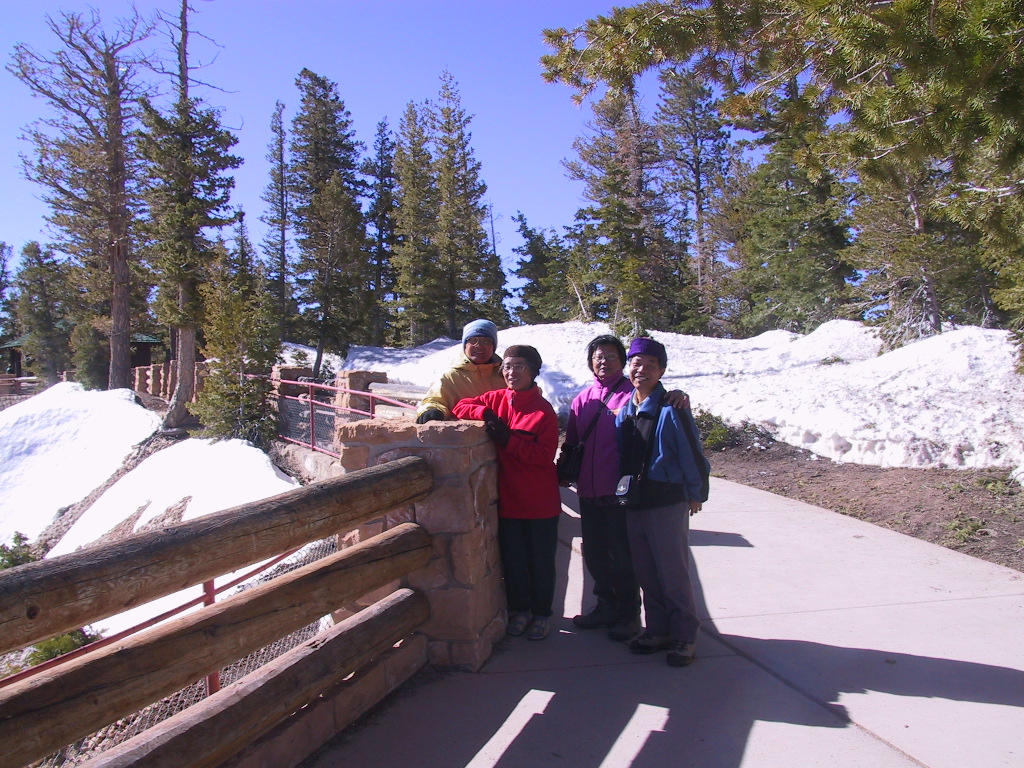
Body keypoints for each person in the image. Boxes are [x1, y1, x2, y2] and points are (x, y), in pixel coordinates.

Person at [563, 335, 690, 642]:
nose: (603, 362)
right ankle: (605, 606)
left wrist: (677, 394)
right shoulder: (582, 400)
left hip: (619, 494)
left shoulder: (631, 395)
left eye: (610, 356)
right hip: (588, 492)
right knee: (595, 555)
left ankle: (629, 614)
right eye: (598, 357)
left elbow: (656, 401)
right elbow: (572, 442)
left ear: (622, 362)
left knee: (624, 557)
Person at [452, 345, 561, 641]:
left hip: (539, 502)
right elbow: (460, 406)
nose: (512, 372)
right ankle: (520, 611)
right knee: (514, 561)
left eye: (520, 366)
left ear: (533, 371)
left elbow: (543, 456)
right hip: (509, 500)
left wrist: (507, 440)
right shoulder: (496, 399)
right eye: (508, 367)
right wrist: (484, 412)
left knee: (540, 562)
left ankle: (542, 614)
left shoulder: (544, 411)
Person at [615, 336, 710, 667]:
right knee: (646, 571)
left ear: (662, 371)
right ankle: (657, 629)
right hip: (636, 501)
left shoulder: (672, 408)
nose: (641, 370)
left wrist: (696, 493)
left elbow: (692, 453)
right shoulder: (626, 409)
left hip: (666, 500)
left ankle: (685, 635)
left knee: (673, 572)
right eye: (636, 364)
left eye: (650, 365)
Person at [415, 319, 505, 424]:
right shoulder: (451, 377)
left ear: (493, 346)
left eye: (486, 341)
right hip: (466, 433)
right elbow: (434, 400)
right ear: (465, 345)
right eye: (473, 340)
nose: (479, 345)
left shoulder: (506, 374)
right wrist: (433, 410)